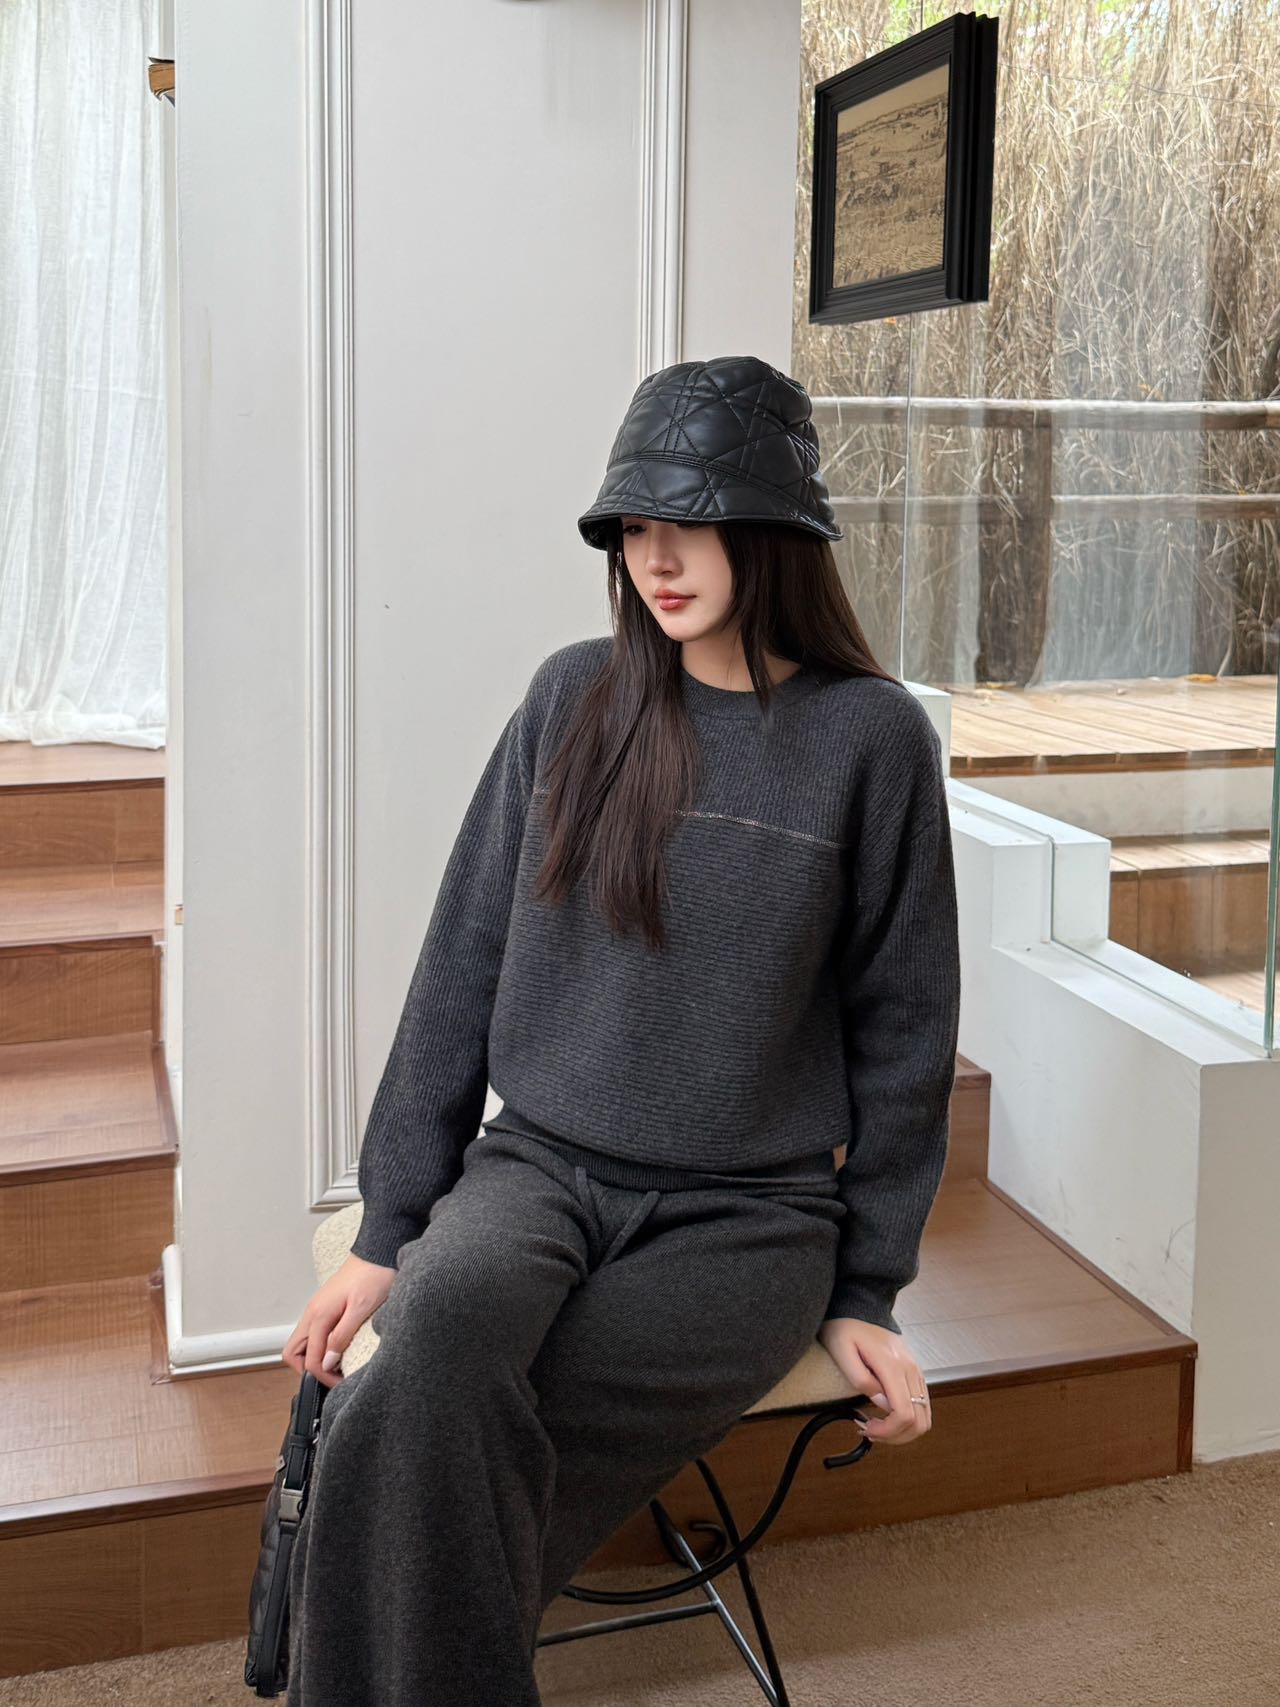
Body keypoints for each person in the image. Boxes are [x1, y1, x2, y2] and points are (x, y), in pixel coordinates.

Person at [281, 353, 962, 1706]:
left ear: (774, 531)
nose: (657, 558)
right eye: (635, 527)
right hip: (536, 1170)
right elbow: (459, 966)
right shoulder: (572, 700)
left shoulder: (870, 739)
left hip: (751, 1218)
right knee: (440, 1337)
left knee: (409, 1425)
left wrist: (867, 1286)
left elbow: (906, 1033)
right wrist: (389, 1225)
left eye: (691, 523)